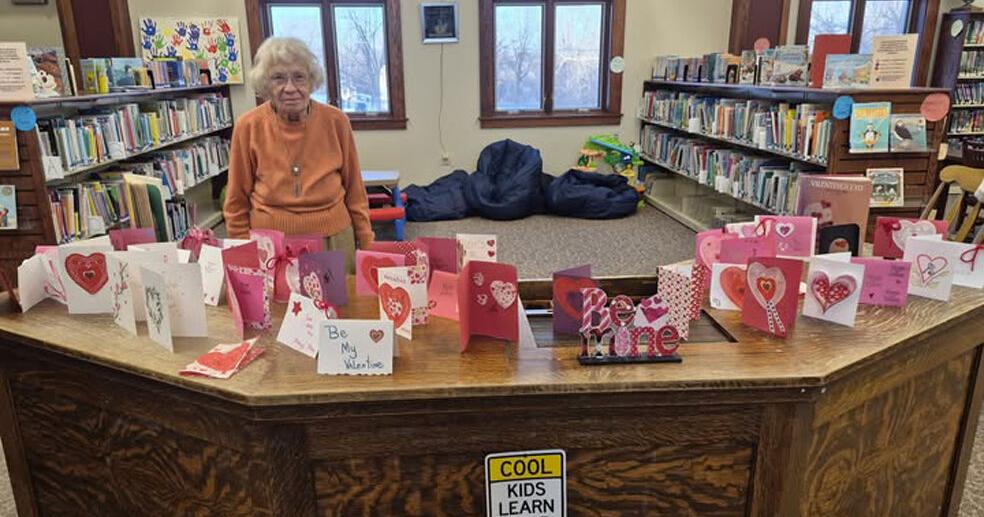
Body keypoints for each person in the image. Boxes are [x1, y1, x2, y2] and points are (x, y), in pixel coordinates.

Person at [224, 36, 373, 267]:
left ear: (311, 81)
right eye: (278, 78)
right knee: (277, 294)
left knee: (339, 292)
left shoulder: (337, 122)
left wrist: (366, 243)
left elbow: (355, 191)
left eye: (299, 77)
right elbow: (236, 202)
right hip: (270, 245)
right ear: (265, 84)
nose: (290, 88)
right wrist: (243, 252)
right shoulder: (248, 126)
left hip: (333, 239)